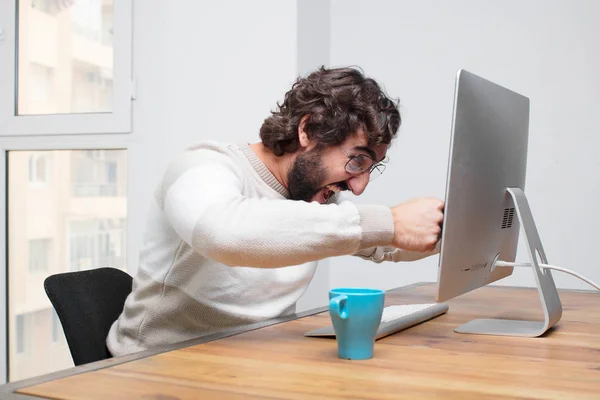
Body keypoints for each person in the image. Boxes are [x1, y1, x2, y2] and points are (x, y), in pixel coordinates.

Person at [107, 66, 444, 356]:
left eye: (372, 167)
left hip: (253, 361)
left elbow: (382, 240)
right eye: (357, 160)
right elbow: (223, 232)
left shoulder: (314, 199)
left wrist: (466, 231)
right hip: (153, 364)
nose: (359, 187)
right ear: (308, 130)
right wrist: (391, 221)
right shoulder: (203, 166)